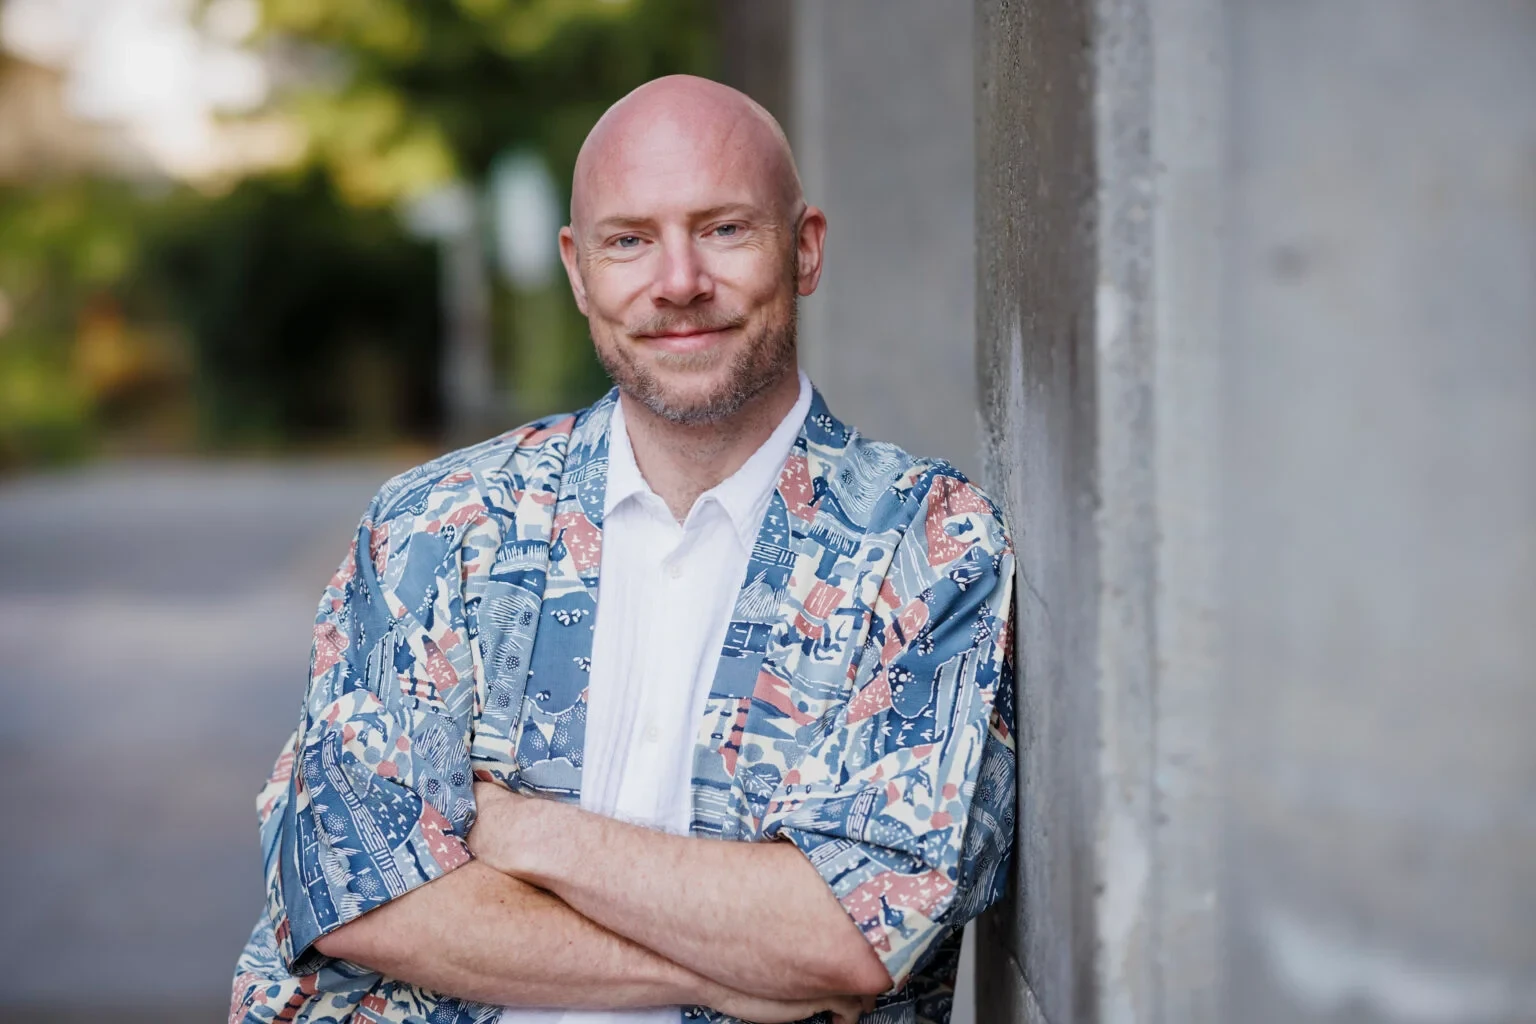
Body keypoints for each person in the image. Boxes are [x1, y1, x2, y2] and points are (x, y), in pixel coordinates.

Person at [230, 75, 1016, 1024]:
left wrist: (527, 832)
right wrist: (729, 967)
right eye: (629, 240)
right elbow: (350, 884)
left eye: (725, 229)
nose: (678, 282)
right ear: (577, 269)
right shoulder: (437, 525)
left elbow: (850, 934)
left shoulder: (928, 545)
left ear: (805, 249)